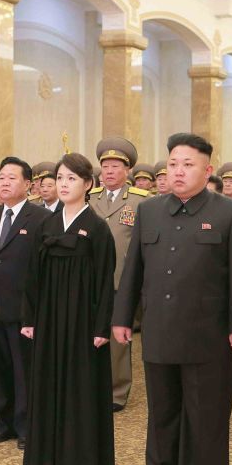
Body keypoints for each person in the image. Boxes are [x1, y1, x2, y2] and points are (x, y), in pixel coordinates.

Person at [112, 132, 232, 465]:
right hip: (159, 331)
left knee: (207, 415)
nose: (178, 171)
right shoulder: (150, 211)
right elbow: (132, 272)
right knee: (162, 414)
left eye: (188, 164)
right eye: (173, 163)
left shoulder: (229, 212)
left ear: (207, 170)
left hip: (208, 335)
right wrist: (122, 317)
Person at [21, 152, 116, 465]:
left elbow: (107, 281)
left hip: (82, 323)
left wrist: (101, 327)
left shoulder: (98, 228)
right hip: (48, 321)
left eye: (71, 179)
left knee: (78, 391)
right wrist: (29, 318)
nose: (63, 184)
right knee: (49, 386)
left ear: (88, 184)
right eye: (60, 178)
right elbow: (32, 275)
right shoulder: (45, 225)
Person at [0, 157, 51, 449]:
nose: (3, 183)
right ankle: (2, 423)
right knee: (0, 369)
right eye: (1, 178)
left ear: (28, 185)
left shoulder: (40, 218)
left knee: (24, 370)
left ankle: (26, 425)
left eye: (11, 178)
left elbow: (44, 269)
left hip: (23, 309)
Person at [91, 137, 149, 412]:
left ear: (127, 170)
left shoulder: (139, 202)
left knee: (117, 341)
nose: (109, 171)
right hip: (91, 281)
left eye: (115, 166)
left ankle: (117, 391)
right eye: (105, 166)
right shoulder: (90, 198)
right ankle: (92, 385)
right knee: (92, 336)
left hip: (120, 280)